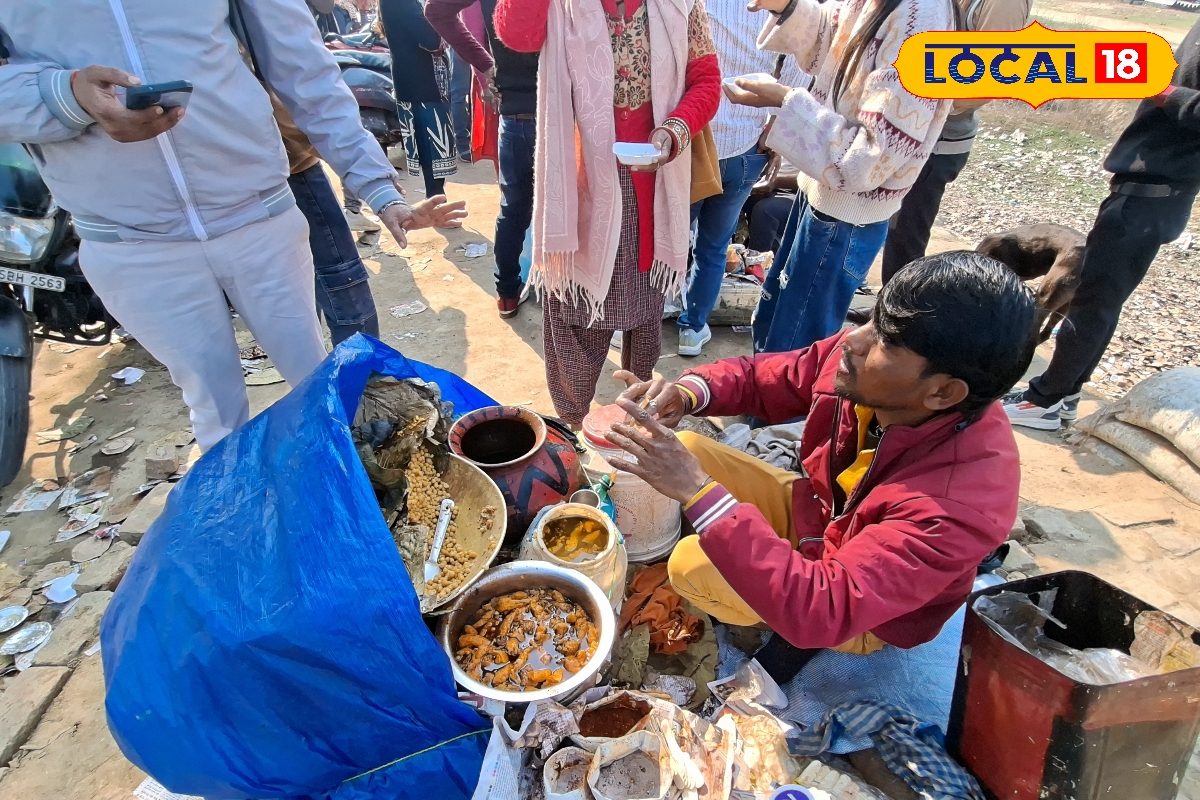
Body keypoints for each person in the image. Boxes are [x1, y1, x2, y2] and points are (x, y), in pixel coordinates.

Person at [0, 0, 465, 451]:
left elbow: (306, 72)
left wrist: (379, 188)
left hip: (259, 217)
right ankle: (237, 494)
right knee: (213, 408)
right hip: (128, 239)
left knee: (315, 379)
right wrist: (64, 96)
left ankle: (347, 486)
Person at [606, 252, 1038, 683]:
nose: (854, 339)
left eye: (887, 341)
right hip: (822, 517)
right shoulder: (862, 368)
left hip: (862, 611)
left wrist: (697, 493)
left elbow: (828, 606)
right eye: (873, 318)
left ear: (943, 393)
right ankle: (779, 577)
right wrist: (686, 395)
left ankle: (783, 624)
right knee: (686, 448)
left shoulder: (959, 505)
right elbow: (769, 378)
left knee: (692, 566)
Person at [496, 0, 721, 428]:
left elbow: (707, 81)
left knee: (643, 310)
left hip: (651, 184)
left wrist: (674, 130)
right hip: (579, 182)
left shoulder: (680, 5)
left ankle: (638, 418)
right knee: (573, 310)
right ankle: (572, 421)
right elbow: (517, 34)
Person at [724, 0, 954, 355]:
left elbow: (871, 159)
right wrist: (786, 6)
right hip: (819, 195)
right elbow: (836, 37)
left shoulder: (921, 20)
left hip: (844, 218)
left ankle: (780, 394)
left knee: (794, 349)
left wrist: (788, 102)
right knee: (773, 325)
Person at [1004, 20, 1200, 430]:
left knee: (1092, 303)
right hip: (1151, 190)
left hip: (1152, 194)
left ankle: (1044, 401)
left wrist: (1163, 93)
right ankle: (1066, 392)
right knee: (1101, 300)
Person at [676, 2, 804, 357]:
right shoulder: (776, 6)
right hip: (746, 143)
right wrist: (774, 123)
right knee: (714, 246)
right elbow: (799, 67)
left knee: (670, 242)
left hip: (695, 142)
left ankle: (644, 319)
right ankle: (693, 328)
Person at [880, 0, 1032, 284]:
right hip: (907, 126)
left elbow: (993, 78)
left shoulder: (1004, 4)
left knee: (905, 235)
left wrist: (927, 104)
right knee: (885, 223)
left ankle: (898, 306)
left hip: (936, 141)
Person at [426, 0, 540, 318]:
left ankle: (507, 294)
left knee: (513, 209)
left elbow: (437, 11)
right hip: (561, 116)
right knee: (569, 210)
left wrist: (487, 65)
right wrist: (486, 64)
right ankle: (563, 302)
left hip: (516, 114)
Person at [275, 98, 381, 344]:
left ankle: (331, 363)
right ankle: (357, 366)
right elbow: (314, 116)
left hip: (278, 173)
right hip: (294, 173)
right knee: (340, 284)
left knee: (299, 289)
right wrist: (375, 184)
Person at [378, 0, 459, 198]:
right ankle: (436, 201)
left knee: (429, 151)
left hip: (415, 83)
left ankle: (435, 198)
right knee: (431, 151)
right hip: (422, 84)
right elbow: (430, 39)